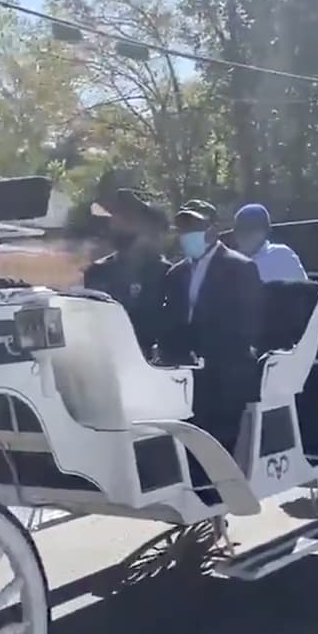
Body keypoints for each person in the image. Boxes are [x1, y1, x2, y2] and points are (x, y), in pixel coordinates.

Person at [158, 200, 263, 458]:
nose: (186, 235)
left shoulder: (240, 268)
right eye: (182, 228)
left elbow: (250, 323)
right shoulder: (176, 273)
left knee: (216, 442)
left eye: (194, 226)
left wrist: (206, 349)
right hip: (184, 372)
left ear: (212, 230)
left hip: (224, 371)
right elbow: (171, 322)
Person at [82, 188, 171, 356]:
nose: (118, 224)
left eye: (129, 218)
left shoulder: (168, 275)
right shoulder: (97, 272)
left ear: (148, 227)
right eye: (116, 217)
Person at [231, 203, 308, 282]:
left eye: (251, 230)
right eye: (240, 230)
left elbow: (301, 289)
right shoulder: (230, 263)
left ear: (265, 231)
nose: (244, 235)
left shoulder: (282, 254)